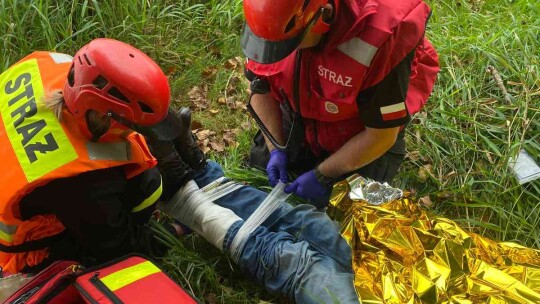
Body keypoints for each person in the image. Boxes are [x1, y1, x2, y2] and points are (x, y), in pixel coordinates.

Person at [0, 38, 194, 274]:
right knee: (149, 184)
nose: (136, 132)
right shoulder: (81, 184)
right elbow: (123, 248)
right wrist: (178, 229)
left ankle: (179, 165)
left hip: (14, 163)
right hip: (28, 249)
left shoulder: (53, 66)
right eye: (134, 126)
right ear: (102, 118)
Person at [241, 0, 440, 206]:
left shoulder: (384, 33)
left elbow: (382, 135)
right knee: (261, 172)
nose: (281, 54)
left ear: (322, 17)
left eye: (287, 46)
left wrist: (322, 175)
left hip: (362, 130)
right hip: (299, 112)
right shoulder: (266, 18)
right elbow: (259, 87)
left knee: (348, 209)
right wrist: (275, 149)